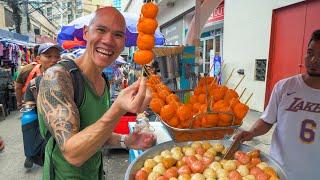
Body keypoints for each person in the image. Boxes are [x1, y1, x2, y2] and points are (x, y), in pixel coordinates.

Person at [37, 7, 155, 180]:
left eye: (117, 35)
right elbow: (72, 153)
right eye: (101, 30)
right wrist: (118, 107)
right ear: (86, 33)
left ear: (123, 43)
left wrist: (126, 141)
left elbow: (94, 134)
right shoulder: (57, 78)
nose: (108, 40)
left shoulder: (103, 82)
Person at [234, 29, 320, 180]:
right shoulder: (284, 86)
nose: (313, 60)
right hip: (277, 171)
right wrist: (251, 132)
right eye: (310, 53)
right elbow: (267, 120)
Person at [19, 43, 62, 169]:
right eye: (48, 56)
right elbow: (29, 114)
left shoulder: (69, 79)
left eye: (57, 56)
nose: (54, 60)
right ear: (38, 59)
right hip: (46, 133)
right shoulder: (33, 85)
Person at [14, 45, 40, 109]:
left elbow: (18, 87)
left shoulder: (25, 69)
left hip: (29, 102)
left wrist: (19, 102)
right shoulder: (52, 68)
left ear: (33, 55)